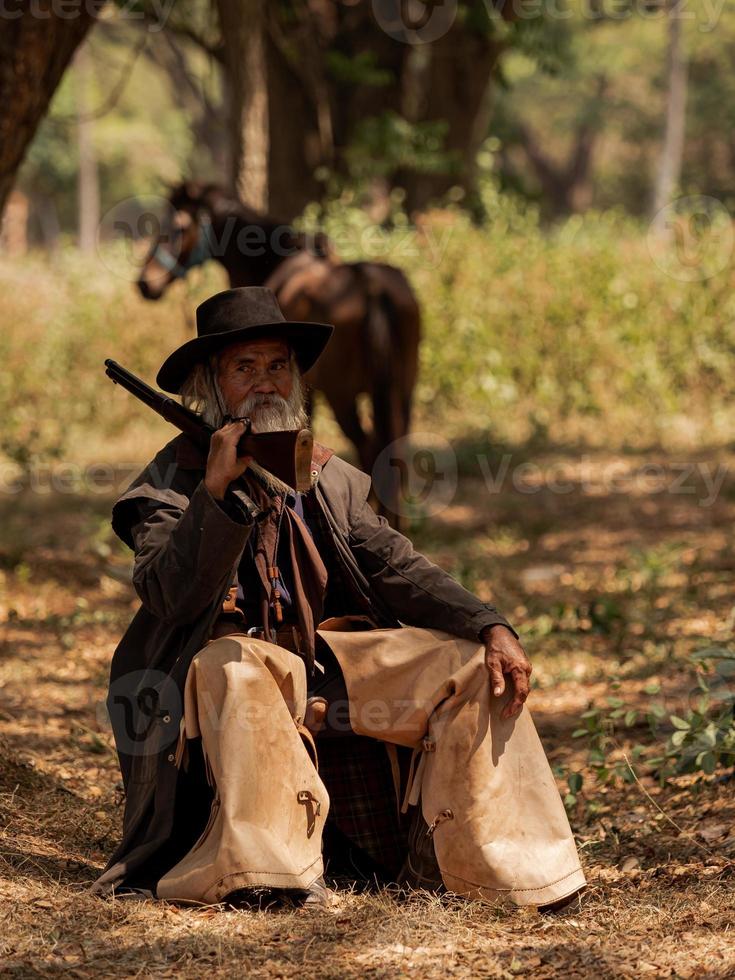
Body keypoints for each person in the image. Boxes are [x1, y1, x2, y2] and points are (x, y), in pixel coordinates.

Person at [93, 286, 586, 910]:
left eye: (277, 366)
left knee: (466, 664)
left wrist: (489, 625)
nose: (265, 383)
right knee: (232, 667)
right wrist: (215, 496)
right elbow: (171, 594)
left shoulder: (326, 474)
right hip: (221, 689)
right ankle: (268, 872)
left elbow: (398, 566)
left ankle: (508, 869)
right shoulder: (165, 485)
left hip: (322, 670)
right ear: (211, 386)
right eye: (244, 369)